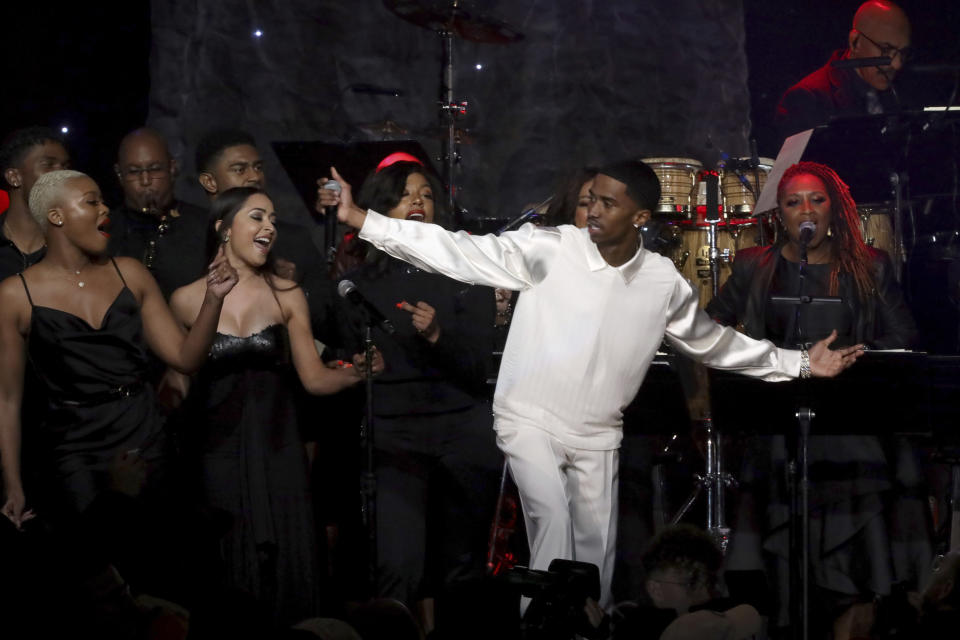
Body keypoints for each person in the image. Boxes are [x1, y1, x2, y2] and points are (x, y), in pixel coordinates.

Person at [318, 159, 863, 610]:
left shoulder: (661, 282)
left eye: (608, 202)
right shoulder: (548, 248)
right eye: (591, 199)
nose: (594, 210)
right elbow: (457, 250)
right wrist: (362, 218)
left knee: (594, 560)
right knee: (551, 524)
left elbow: (712, 343)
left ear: (641, 216)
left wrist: (798, 364)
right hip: (527, 416)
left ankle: (585, 629)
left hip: (599, 433)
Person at [705, 161, 929, 635]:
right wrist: (762, 362)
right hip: (777, 423)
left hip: (849, 422)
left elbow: (903, 337)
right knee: (784, 546)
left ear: (836, 208)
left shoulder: (870, 265)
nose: (806, 210)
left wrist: (850, 356)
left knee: (855, 481)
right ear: (780, 215)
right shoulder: (753, 266)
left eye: (817, 199)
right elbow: (707, 331)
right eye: (793, 202)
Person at [169, 186, 382, 626]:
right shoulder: (185, 299)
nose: (269, 226)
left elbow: (314, 378)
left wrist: (357, 371)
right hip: (218, 450)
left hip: (278, 447)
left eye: (272, 219)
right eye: (256, 217)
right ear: (223, 228)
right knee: (227, 557)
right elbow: (179, 382)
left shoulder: (287, 293)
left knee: (287, 560)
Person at [0, 169, 237, 528]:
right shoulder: (15, 295)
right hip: (74, 447)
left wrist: (214, 299)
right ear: (56, 215)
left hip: (144, 434)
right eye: (91, 201)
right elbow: (7, 400)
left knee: (160, 559)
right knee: (98, 562)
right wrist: (13, 485)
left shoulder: (130, 273)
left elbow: (186, 359)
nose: (104, 208)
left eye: (103, 200)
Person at [333, 161, 499, 633]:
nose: (418, 203)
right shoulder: (359, 284)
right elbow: (347, 358)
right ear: (382, 208)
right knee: (398, 561)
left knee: (462, 565)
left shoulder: (467, 275)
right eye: (406, 195)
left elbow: (477, 369)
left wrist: (439, 336)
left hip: (460, 430)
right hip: (394, 434)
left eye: (426, 194)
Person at [775, 1, 911, 139]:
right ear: (855, 42)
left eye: (903, 53)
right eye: (886, 50)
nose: (897, 64)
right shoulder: (807, 100)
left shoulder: (900, 93)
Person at [109, 127, 208, 299]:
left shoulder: (204, 225)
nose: (145, 181)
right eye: (134, 172)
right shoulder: (103, 232)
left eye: (154, 169)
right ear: (119, 174)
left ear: (172, 168)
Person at [0, 127, 71, 282]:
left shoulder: (73, 247)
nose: (63, 175)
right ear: (14, 177)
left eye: (65, 167)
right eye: (48, 165)